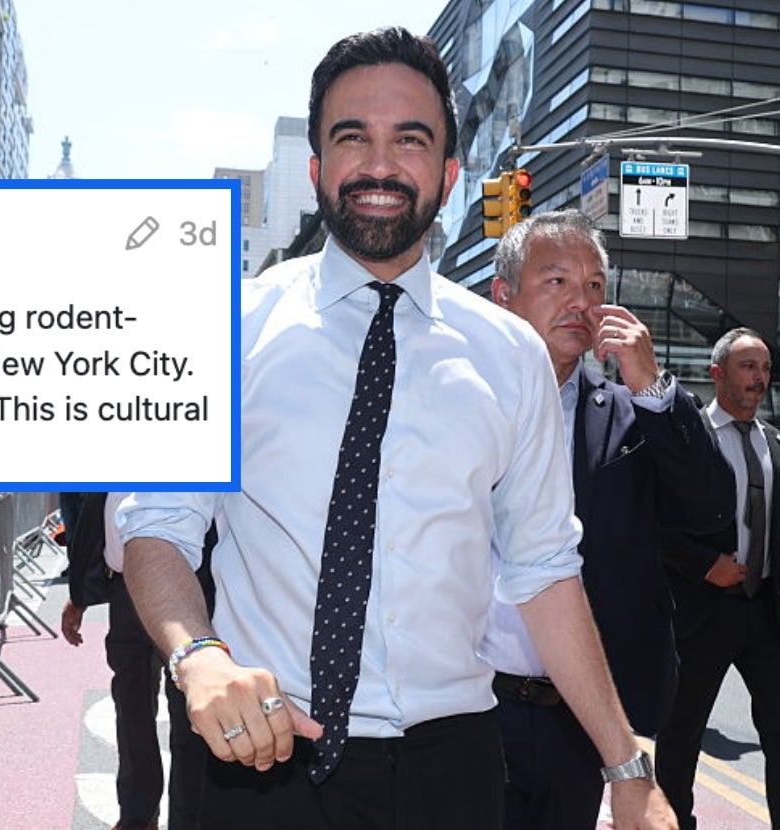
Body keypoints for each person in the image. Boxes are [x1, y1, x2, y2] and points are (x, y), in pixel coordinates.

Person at [118, 27, 675, 830]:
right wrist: (197, 655)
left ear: (449, 175)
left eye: (410, 141)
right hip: (259, 759)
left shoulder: (510, 355)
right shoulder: (231, 328)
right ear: (316, 168)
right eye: (353, 138)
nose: (380, 166)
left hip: (452, 771)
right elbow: (157, 530)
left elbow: (546, 571)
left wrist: (628, 766)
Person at [483, 210, 735, 829]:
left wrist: (652, 387)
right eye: (558, 281)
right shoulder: (459, 402)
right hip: (469, 707)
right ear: (503, 295)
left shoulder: (628, 413)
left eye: (595, 286)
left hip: (583, 716)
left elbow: (710, 510)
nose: (581, 301)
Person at [655, 328, 780, 830]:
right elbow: (654, 524)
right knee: (682, 736)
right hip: (703, 610)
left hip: (765, 614)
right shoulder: (689, 441)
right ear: (717, 373)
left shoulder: (775, 441)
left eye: (766, 369)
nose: (760, 379)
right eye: (749, 367)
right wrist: (707, 564)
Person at [61, 494, 217, 830]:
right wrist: (79, 596)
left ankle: (188, 820)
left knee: (191, 717)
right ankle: (137, 816)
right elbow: (94, 523)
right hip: (124, 592)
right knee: (131, 708)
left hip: (187, 593)